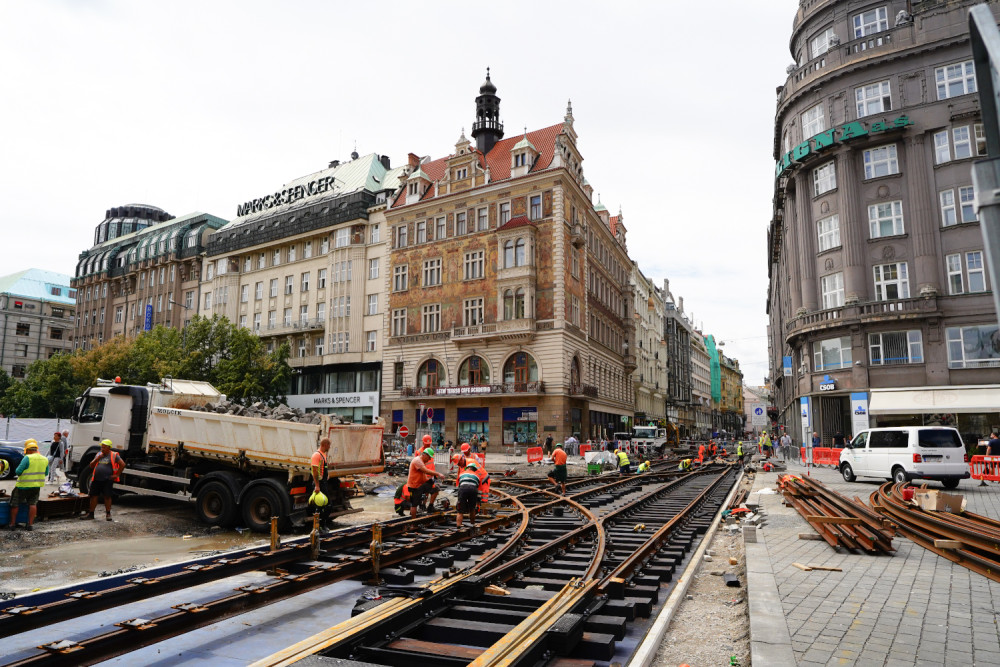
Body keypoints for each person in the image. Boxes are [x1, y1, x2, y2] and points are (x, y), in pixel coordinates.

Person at [5, 440, 47, 531]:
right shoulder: (45, 458)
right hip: (36, 486)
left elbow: (18, 472)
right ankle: (30, 525)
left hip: (22, 486)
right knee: (33, 503)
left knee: (15, 504)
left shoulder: (27, 458)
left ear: (28, 450)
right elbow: (46, 473)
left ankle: (12, 524)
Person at [81, 439, 125, 521]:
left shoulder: (114, 455)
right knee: (94, 496)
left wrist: (117, 475)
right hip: (96, 479)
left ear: (109, 448)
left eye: (104, 447)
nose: (102, 449)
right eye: (102, 447)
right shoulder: (98, 454)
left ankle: (108, 514)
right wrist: (98, 458)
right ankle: (91, 514)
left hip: (107, 479)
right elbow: (91, 465)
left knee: (107, 496)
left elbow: (122, 464)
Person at [407, 447, 445, 518]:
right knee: (414, 504)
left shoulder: (422, 461)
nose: (429, 459)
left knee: (435, 489)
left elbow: (424, 476)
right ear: (425, 455)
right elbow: (425, 471)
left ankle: (430, 506)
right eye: (429, 457)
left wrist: (430, 481)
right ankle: (413, 520)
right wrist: (438, 474)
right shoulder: (417, 460)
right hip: (414, 486)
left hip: (420, 485)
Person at [310, 437, 333, 528]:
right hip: (319, 483)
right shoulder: (316, 455)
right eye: (329, 445)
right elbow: (314, 471)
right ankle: (321, 525)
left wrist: (327, 474)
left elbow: (322, 468)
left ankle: (319, 525)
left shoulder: (324, 455)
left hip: (323, 482)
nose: (330, 447)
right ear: (324, 445)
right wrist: (317, 486)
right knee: (328, 505)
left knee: (320, 507)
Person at [456, 461, 483, 528]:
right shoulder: (477, 476)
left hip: (463, 489)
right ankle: (472, 524)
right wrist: (478, 501)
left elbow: (459, 485)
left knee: (460, 511)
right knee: (472, 509)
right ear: (474, 470)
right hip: (473, 489)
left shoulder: (461, 474)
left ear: (468, 468)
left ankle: (458, 526)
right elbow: (479, 489)